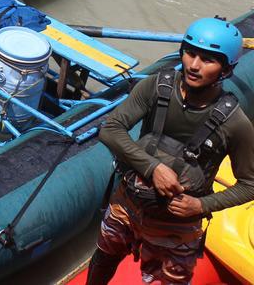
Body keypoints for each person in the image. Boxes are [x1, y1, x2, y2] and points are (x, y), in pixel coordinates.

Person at [86, 17, 254, 285]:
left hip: (177, 225)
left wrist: (201, 205)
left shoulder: (235, 123)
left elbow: (249, 184)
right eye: (190, 53)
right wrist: (154, 168)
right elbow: (111, 129)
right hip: (128, 202)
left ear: (226, 69)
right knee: (104, 256)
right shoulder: (156, 86)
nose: (194, 65)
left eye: (208, 59)